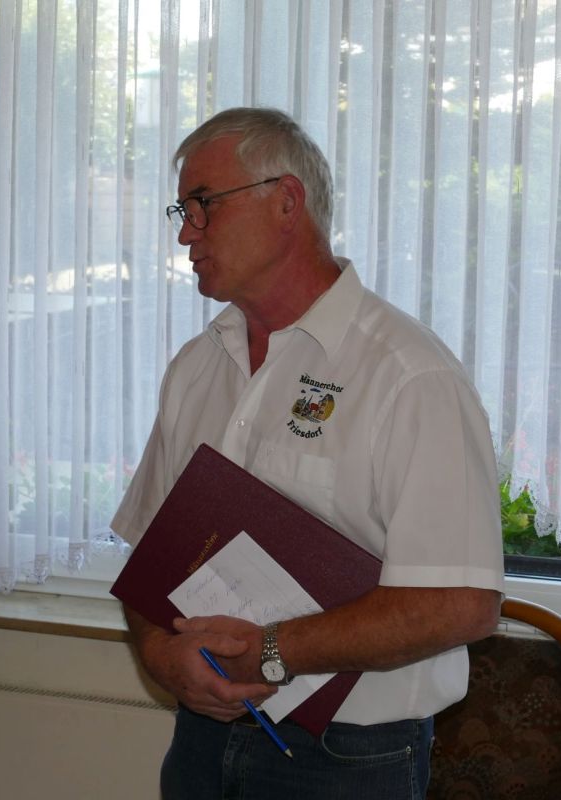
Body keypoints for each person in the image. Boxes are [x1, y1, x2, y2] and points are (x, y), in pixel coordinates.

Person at [110, 108, 505, 799]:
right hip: (201, 740)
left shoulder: (409, 376)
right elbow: (149, 557)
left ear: (286, 202)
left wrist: (270, 652)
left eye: (202, 205)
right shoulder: (197, 367)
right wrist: (160, 655)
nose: (184, 233)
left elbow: (461, 604)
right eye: (182, 211)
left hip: (348, 758)